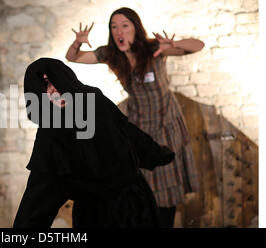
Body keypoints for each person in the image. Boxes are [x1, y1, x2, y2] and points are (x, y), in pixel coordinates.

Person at [65, 7, 203, 227]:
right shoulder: (110, 54)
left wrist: (174, 45)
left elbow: (198, 45)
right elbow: (72, 57)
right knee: (143, 189)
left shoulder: (153, 48)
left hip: (166, 124)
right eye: (114, 26)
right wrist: (78, 42)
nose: (119, 31)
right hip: (140, 127)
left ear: (135, 28)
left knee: (166, 188)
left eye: (125, 25)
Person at [13, 57, 175, 228]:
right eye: (45, 85)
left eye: (55, 80)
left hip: (138, 207)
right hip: (97, 217)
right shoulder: (51, 133)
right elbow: (39, 192)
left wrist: (158, 153)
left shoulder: (95, 100)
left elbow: (127, 132)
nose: (54, 90)